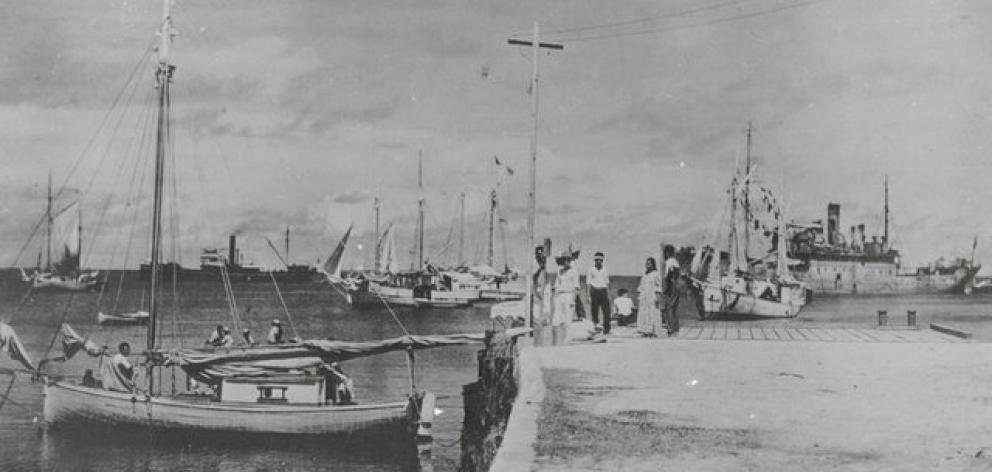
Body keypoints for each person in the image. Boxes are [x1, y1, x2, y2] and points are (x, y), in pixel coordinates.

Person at [551, 250, 580, 345]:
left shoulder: (574, 271)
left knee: (568, 319)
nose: (566, 261)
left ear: (570, 260)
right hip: (559, 295)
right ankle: (555, 341)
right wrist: (554, 297)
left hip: (569, 295)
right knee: (556, 319)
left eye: (568, 259)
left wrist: (573, 300)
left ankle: (567, 340)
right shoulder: (560, 270)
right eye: (564, 260)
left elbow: (576, 287)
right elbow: (556, 284)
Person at [637, 257, 663, 337]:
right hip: (644, 297)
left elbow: (658, 286)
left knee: (653, 313)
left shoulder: (656, 274)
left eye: (649, 263)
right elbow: (641, 286)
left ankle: (653, 331)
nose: (648, 265)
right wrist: (639, 297)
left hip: (652, 296)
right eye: (646, 263)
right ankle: (645, 331)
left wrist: (658, 297)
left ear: (653, 264)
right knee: (644, 313)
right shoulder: (644, 275)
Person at [587, 251, 611, 334]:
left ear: (603, 260)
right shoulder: (591, 269)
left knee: (606, 311)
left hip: (603, 291)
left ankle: (607, 329)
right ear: (594, 260)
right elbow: (588, 284)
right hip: (594, 291)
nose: (598, 261)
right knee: (594, 311)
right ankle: (596, 327)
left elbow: (607, 283)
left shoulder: (605, 269)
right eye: (597, 260)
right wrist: (588, 296)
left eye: (600, 260)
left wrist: (608, 295)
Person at [662, 245, 681, 336]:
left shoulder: (668, 262)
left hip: (671, 284)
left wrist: (666, 288)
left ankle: (671, 328)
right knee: (675, 308)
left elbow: (667, 276)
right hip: (678, 285)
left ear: (667, 253)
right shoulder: (676, 262)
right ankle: (676, 328)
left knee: (668, 307)